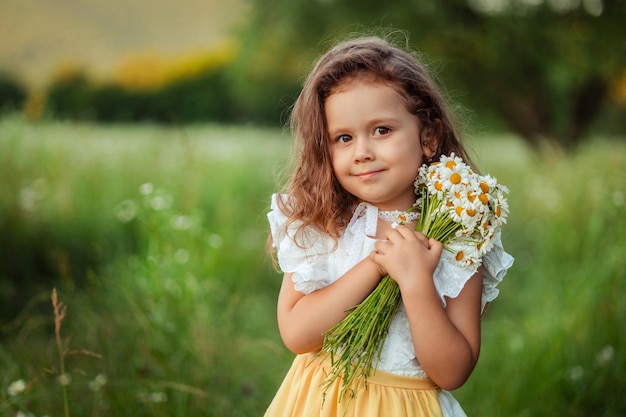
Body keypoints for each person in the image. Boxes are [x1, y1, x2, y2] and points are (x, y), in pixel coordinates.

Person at [264, 34, 514, 417]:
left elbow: (452, 371)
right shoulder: (323, 221)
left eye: (382, 130)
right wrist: (375, 266)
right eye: (343, 138)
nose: (363, 151)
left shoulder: (458, 232)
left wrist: (416, 281)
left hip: (406, 406)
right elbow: (297, 335)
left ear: (427, 136)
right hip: (321, 402)